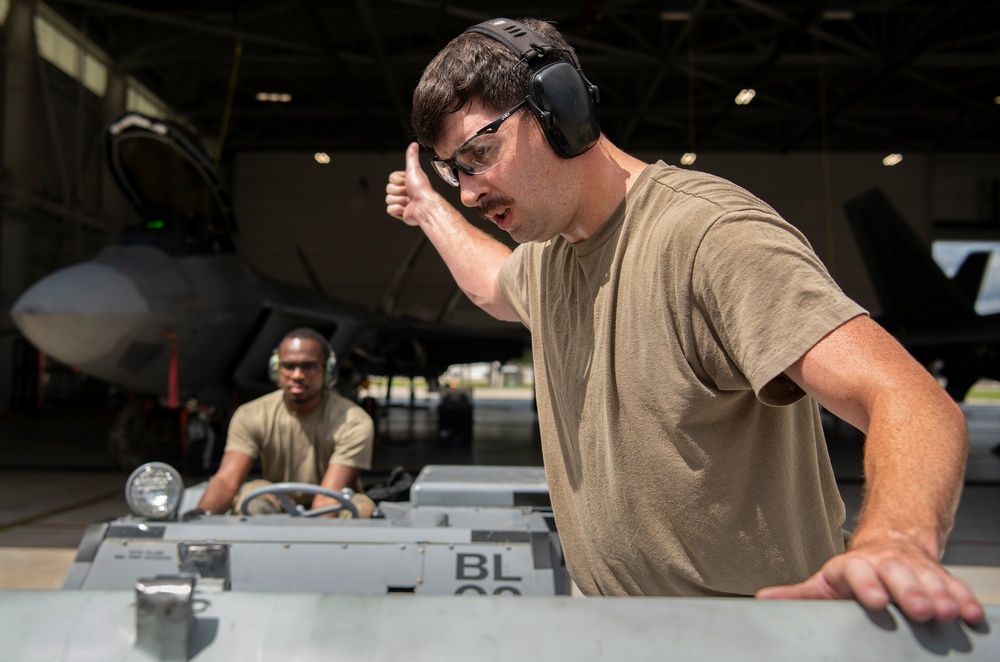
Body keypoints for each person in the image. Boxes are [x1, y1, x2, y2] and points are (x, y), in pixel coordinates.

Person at [385, 17, 984, 624]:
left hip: (754, 635)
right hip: (621, 629)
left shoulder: (709, 239)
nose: (467, 191)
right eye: (450, 170)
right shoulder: (550, 256)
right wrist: (428, 210)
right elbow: (493, 284)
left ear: (560, 108)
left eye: (479, 154)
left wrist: (894, 542)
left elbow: (908, 399)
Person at [196, 328, 376, 517]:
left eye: (309, 366)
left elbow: (328, 499)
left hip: (333, 503)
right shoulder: (251, 415)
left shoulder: (353, 421)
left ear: (327, 370)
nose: (297, 375)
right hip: (278, 503)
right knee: (254, 499)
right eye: (288, 366)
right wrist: (198, 522)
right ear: (276, 369)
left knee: (362, 510)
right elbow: (227, 481)